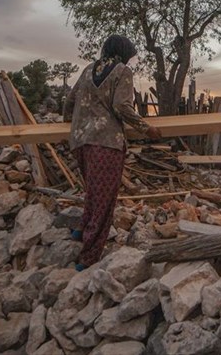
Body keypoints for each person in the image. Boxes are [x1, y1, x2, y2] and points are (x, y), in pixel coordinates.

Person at [64, 35, 161, 271]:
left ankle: (81, 230)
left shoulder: (88, 69)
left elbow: (70, 100)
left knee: (93, 190)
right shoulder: (122, 71)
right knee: (104, 202)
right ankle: (88, 257)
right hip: (106, 143)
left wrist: (71, 123)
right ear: (124, 53)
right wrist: (146, 128)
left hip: (81, 141)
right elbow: (121, 106)